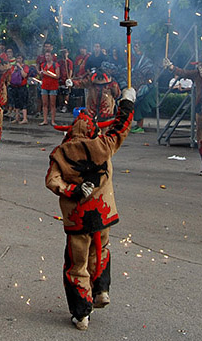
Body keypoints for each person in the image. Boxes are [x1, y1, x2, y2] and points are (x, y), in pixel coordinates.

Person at [45, 86, 136, 331]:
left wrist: (73, 190)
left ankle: (82, 314)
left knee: (77, 265)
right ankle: (101, 290)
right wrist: (127, 103)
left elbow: (52, 181)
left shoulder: (61, 153)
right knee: (101, 250)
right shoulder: (103, 146)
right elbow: (121, 129)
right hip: (103, 214)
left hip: (78, 219)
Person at [165, 59, 202, 176]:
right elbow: (183, 72)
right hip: (201, 106)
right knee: (200, 137)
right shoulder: (196, 74)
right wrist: (171, 67)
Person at [129, 41, 156, 133]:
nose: (135, 48)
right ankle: (137, 125)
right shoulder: (137, 60)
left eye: (137, 46)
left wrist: (147, 84)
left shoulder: (147, 61)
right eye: (134, 47)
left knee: (140, 106)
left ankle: (140, 125)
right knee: (135, 105)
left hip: (146, 88)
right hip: (137, 86)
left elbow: (150, 76)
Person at [39, 52, 60, 125]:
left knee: (52, 104)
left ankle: (53, 120)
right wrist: (41, 74)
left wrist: (47, 73)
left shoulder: (55, 65)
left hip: (53, 86)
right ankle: (45, 120)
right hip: (44, 85)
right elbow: (41, 76)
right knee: (44, 103)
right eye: (46, 56)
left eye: (48, 55)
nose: (47, 57)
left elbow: (57, 76)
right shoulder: (43, 65)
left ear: (51, 56)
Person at [9, 55, 30, 124]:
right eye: (17, 58)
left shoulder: (25, 67)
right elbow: (10, 76)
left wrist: (20, 68)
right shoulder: (13, 67)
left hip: (22, 87)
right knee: (16, 103)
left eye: (20, 58)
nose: (18, 60)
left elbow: (24, 75)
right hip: (14, 86)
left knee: (23, 102)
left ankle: (25, 118)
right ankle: (17, 118)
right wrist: (14, 70)